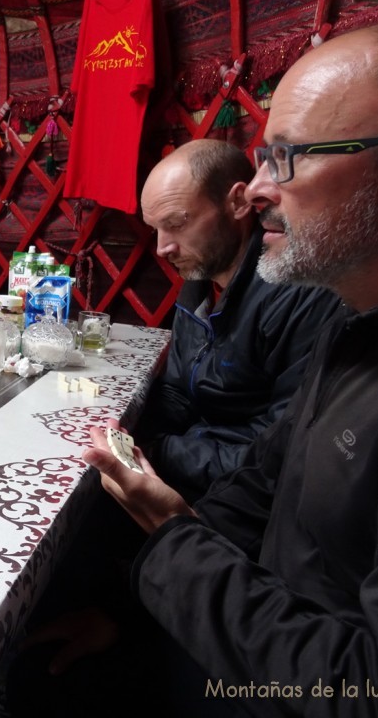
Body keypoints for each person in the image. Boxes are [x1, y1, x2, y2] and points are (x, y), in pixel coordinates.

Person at [83, 16, 378, 716]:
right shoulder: (357, 327)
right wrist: (128, 602)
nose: (258, 189)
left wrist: (174, 544)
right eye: (262, 158)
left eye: (288, 158)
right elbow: (260, 485)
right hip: (241, 637)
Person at [134, 139, 339, 502]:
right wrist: (129, 431)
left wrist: (161, 451)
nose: (163, 248)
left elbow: (278, 453)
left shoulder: (296, 294)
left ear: (239, 202)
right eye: (155, 230)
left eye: (177, 222)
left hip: (247, 498)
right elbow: (178, 391)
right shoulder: (197, 282)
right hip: (199, 459)